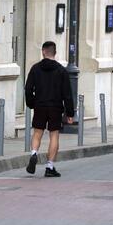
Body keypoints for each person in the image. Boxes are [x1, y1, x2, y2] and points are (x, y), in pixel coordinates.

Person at [24, 41, 75, 177]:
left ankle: (34, 153)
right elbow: (67, 94)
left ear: (43, 52)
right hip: (55, 107)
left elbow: (28, 88)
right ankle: (49, 166)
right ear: (55, 53)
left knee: (37, 132)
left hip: (39, 105)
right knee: (54, 135)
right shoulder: (61, 71)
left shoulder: (35, 68)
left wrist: (31, 103)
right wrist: (70, 113)